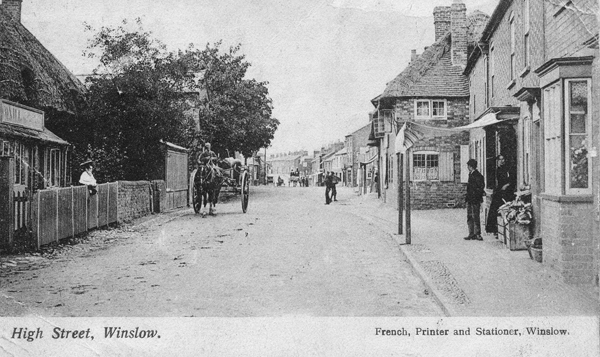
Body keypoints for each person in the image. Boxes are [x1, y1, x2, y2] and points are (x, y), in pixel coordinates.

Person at [486, 155, 515, 237]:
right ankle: (494, 229)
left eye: (503, 159)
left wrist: (507, 185)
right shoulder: (496, 170)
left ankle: (501, 230)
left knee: (503, 209)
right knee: (494, 210)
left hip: (505, 193)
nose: (502, 161)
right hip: (498, 192)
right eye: (500, 159)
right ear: (497, 161)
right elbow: (494, 182)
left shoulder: (506, 169)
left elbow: (510, 180)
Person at [464, 159, 485, 241]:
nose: (467, 168)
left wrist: (476, 196)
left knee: (475, 216)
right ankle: (471, 233)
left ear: (470, 166)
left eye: (468, 166)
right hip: (470, 199)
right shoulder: (471, 174)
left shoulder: (478, 176)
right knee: (469, 216)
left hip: (475, 200)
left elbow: (480, 188)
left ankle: (478, 234)